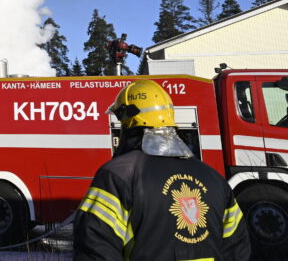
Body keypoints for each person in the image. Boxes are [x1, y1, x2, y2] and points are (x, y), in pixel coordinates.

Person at [74, 80, 250, 261]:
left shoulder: (118, 175)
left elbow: (95, 247)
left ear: (127, 120)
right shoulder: (214, 178)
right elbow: (237, 248)